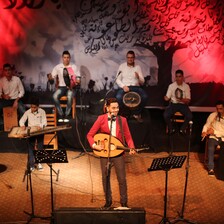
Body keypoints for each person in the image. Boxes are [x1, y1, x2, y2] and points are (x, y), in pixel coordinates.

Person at [87, 98, 135, 208]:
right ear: (107, 108)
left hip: (118, 153)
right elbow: (90, 135)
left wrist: (131, 147)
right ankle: (108, 201)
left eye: (117, 107)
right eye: (113, 108)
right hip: (105, 153)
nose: (116, 110)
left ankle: (124, 202)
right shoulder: (101, 119)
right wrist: (95, 146)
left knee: (122, 179)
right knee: (105, 178)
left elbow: (128, 137)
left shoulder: (122, 120)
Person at [115, 50, 148, 122]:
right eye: (128, 57)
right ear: (126, 58)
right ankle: (125, 113)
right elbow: (117, 79)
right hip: (125, 87)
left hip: (136, 87)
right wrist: (123, 86)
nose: (130, 59)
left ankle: (136, 113)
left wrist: (138, 77)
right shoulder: (122, 66)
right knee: (118, 97)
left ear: (134, 58)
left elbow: (142, 82)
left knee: (145, 96)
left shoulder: (138, 67)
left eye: (132, 57)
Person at [49, 50, 80, 122]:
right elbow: (52, 77)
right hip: (61, 87)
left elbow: (78, 76)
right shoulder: (58, 67)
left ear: (70, 58)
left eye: (68, 57)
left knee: (69, 96)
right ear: (62, 58)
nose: (66, 59)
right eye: (65, 57)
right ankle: (61, 114)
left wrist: (78, 81)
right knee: (54, 96)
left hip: (71, 87)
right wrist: (50, 78)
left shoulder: (73, 67)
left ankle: (67, 114)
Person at [19, 97, 47, 171]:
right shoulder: (28, 112)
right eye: (31, 107)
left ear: (38, 106)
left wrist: (40, 126)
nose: (32, 108)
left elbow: (45, 123)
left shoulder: (42, 112)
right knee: (30, 148)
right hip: (31, 132)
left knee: (40, 147)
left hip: (40, 131)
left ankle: (39, 163)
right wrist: (22, 125)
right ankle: (31, 165)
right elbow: (21, 120)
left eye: (34, 107)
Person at [163, 69, 192, 134]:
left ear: (182, 77)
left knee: (190, 116)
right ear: (175, 77)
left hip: (183, 105)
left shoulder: (186, 86)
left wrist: (181, 100)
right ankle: (171, 128)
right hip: (173, 104)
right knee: (165, 115)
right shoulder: (171, 86)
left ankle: (182, 129)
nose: (178, 78)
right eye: (177, 76)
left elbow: (188, 100)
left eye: (180, 76)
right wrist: (166, 98)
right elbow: (167, 97)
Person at [201, 100, 224, 176]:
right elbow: (207, 125)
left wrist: (214, 132)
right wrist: (204, 131)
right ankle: (211, 168)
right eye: (217, 108)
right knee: (210, 148)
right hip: (213, 137)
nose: (218, 110)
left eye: (220, 109)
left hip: (223, 137)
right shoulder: (213, 115)